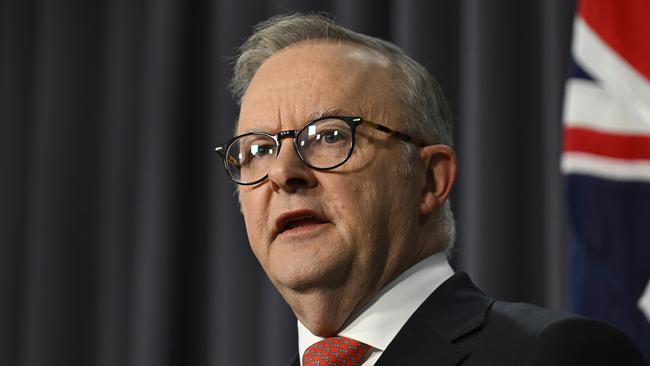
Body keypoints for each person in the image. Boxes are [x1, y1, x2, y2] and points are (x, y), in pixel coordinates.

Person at [215, 13, 646, 366]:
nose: (283, 172)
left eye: (329, 137)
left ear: (430, 180)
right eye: (258, 149)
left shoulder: (557, 355)